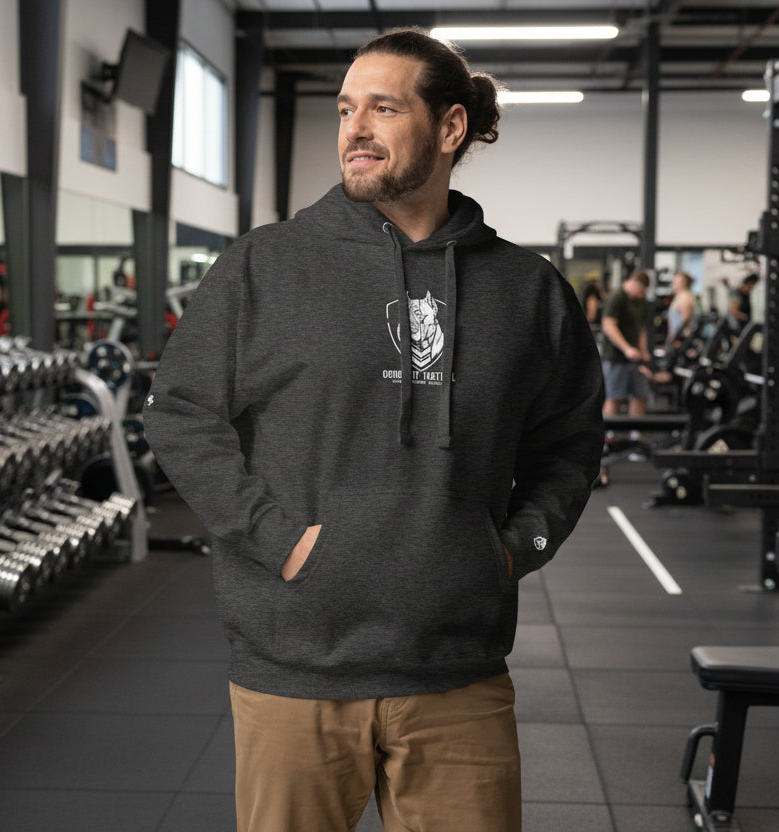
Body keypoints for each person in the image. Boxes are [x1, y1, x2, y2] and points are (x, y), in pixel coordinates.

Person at [144, 28, 604, 832]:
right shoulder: (264, 267)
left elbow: (569, 443)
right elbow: (180, 413)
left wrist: (510, 548)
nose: (354, 128)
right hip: (295, 666)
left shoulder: (529, 292)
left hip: (458, 669)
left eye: (383, 108)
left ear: (450, 127)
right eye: (346, 108)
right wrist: (274, 536)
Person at [600, 269, 654, 418]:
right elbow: (608, 325)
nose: (641, 294)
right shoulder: (617, 297)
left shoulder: (639, 300)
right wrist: (627, 349)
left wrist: (643, 350)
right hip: (616, 358)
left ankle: (635, 436)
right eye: (640, 290)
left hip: (635, 360)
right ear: (633, 282)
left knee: (640, 395)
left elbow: (640, 328)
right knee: (615, 397)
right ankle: (607, 438)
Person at [665, 270, 697, 344]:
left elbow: (685, 321)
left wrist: (674, 338)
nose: (673, 284)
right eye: (674, 281)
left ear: (684, 283)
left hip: (680, 339)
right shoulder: (679, 296)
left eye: (676, 282)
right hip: (675, 337)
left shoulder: (685, 298)